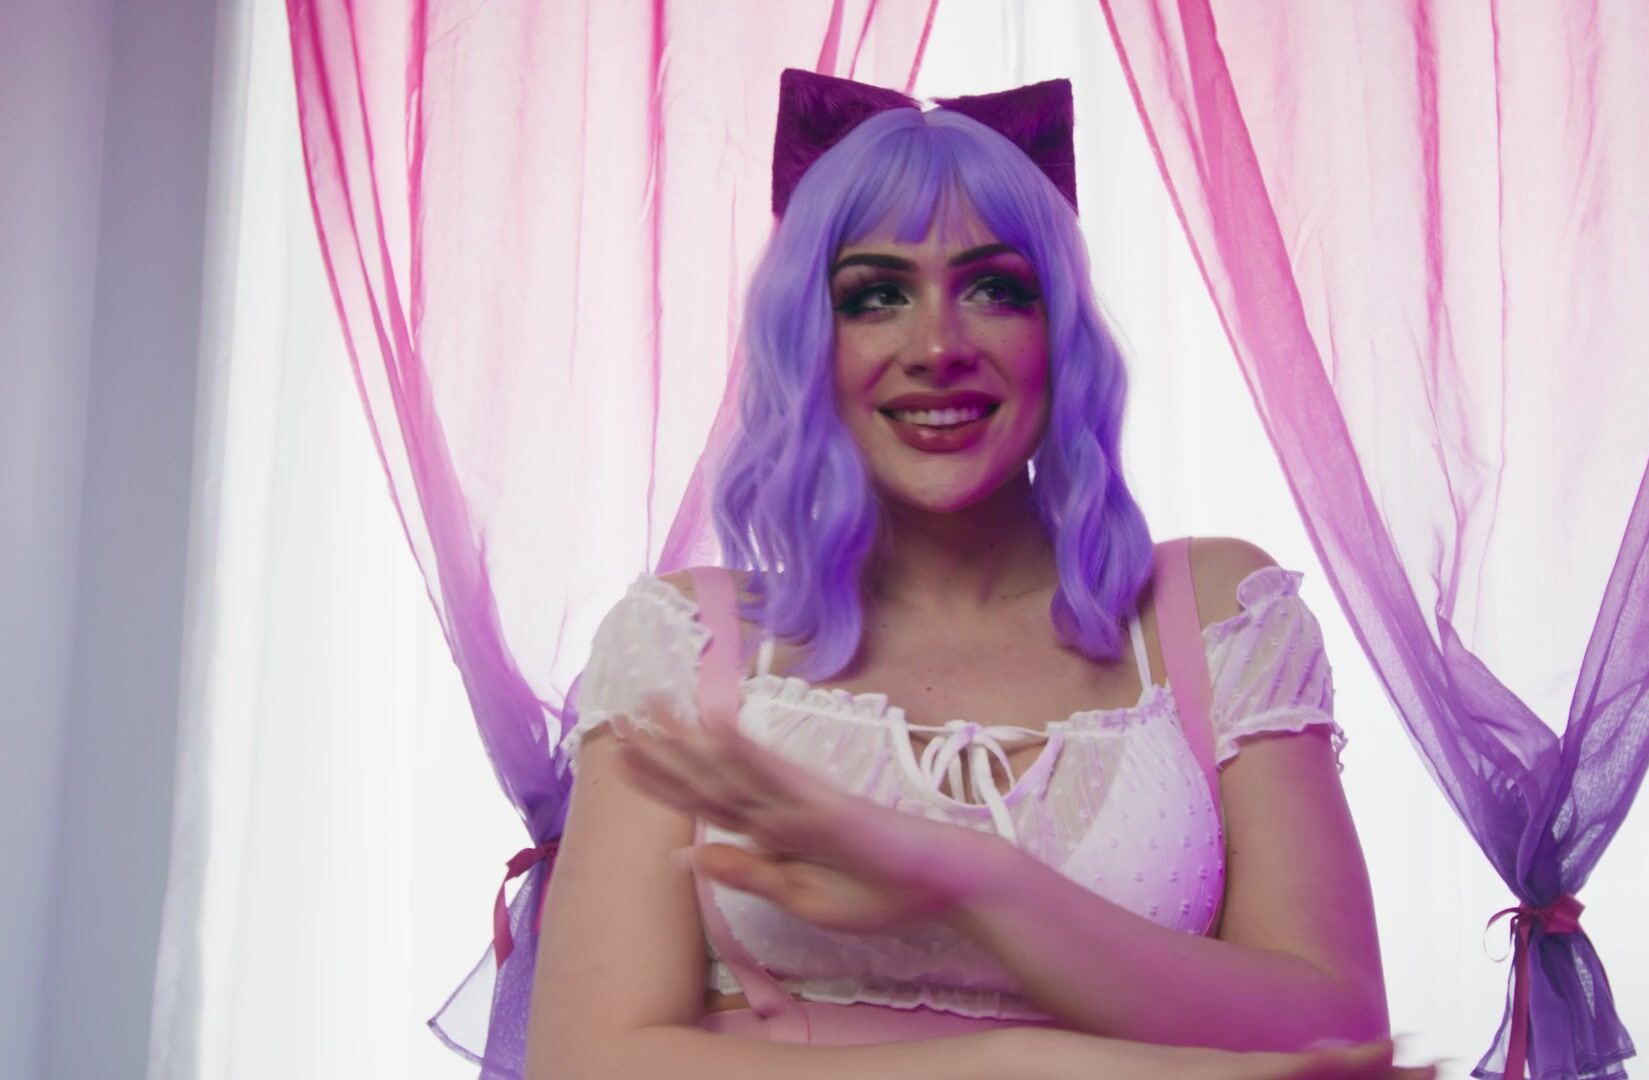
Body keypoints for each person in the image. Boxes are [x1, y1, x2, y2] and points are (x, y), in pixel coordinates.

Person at [524, 70, 1434, 1079]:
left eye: (996, 289)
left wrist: (968, 878)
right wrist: (1036, 1063)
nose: (937, 347)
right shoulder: (683, 643)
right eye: (874, 297)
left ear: (1061, 334)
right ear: (805, 343)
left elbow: (1334, 1035)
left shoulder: (1218, 617)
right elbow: (586, 1062)